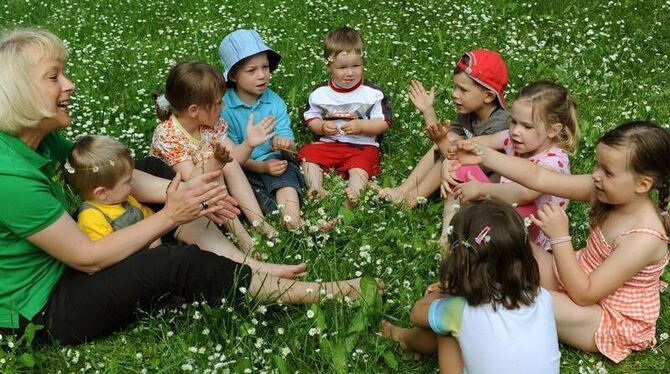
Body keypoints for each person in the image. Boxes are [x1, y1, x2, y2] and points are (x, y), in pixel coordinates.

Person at [0, 28, 370, 345]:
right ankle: (308, 293)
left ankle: (247, 263)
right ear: (18, 92)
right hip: (44, 306)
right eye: (54, 77)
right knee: (172, 263)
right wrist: (172, 214)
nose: (69, 85)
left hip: (66, 265)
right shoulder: (9, 176)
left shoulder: (42, 140)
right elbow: (87, 258)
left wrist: (183, 194)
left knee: (148, 169)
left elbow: (111, 172)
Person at [453, 120, 670, 362]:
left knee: (523, 299)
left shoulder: (644, 238)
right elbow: (538, 177)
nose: (596, 176)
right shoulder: (607, 190)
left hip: (604, 315)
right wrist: (485, 156)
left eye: (607, 171)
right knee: (508, 242)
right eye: (597, 165)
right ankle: (464, 283)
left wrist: (560, 237)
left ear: (643, 184)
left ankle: (457, 310)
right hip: (576, 275)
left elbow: (584, 294)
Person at [66, 134, 306, 278]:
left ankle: (249, 264)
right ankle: (246, 269)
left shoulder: (123, 198)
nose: (133, 184)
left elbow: (152, 222)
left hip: (157, 252)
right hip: (140, 267)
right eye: (128, 181)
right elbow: (109, 260)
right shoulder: (92, 218)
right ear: (101, 193)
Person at [381, 199, 560, 374]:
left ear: (461, 260)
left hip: (457, 309)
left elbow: (416, 313)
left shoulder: (460, 309)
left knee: (445, 328)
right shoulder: (542, 297)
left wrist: (446, 290)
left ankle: (403, 338)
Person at [151, 61, 278, 252]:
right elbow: (193, 180)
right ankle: (241, 236)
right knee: (214, 172)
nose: (223, 105)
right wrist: (215, 163)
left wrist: (248, 144)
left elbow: (235, 159)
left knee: (228, 164)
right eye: (218, 102)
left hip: (211, 194)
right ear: (194, 111)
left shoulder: (212, 125)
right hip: (178, 197)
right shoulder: (168, 134)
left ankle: (258, 221)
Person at [440, 80, 579, 250]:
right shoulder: (513, 139)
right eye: (513, 122)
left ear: (553, 130)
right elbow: (472, 145)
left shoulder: (555, 160)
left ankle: (477, 242)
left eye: (527, 126)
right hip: (503, 208)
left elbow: (525, 193)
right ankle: (448, 236)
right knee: (459, 166)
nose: (515, 131)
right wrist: (451, 159)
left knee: (525, 208)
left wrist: (481, 190)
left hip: (531, 231)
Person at [375, 49, 508, 209]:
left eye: (463, 90)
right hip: (466, 171)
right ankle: (403, 190)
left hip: (488, 190)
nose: (454, 94)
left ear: (488, 96)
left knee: (449, 153)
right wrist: (427, 110)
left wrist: (442, 140)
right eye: (454, 87)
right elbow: (443, 139)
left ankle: (411, 199)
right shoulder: (469, 112)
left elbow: (459, 159)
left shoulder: (500, 124)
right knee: (447, 142)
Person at [296, 26, 392, 209]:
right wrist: (322, 127)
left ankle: (354, 192)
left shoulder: (372, 93)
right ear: (329, 65)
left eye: (356, 66)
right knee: (307, 154)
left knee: (361, 165)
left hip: (362, 146)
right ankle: (316, 187)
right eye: (342, 67)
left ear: (363, 63)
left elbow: (383, 123)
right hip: (330, 144)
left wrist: (362, 127)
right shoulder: (320, 93)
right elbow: (311, 118)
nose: (350, 73)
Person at [219, 29, 305, 229]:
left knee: (285, 180)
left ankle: (294, 221)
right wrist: (261, 168)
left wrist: (285, 144)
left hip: (274, 161)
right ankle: (268, 220)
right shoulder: (224, 107)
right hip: (242, 169)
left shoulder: (274, 102)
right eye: (252, 70)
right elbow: (232, 158)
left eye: (265, 67)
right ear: (233, 75)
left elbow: (289, 145)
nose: (262, 75)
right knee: (245, 191)